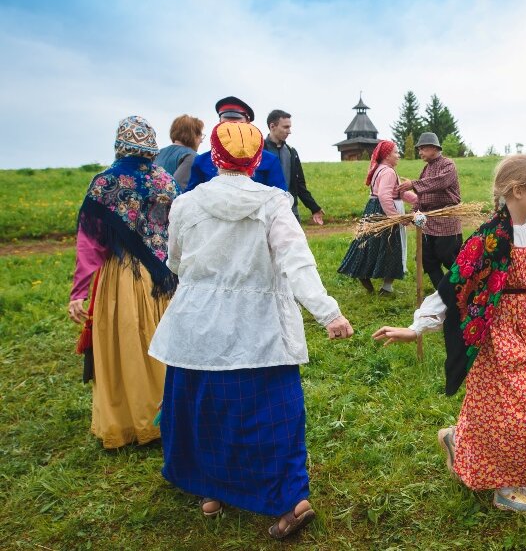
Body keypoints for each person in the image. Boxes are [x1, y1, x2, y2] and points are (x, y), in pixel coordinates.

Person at [372, 154, 526, 515]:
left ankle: (459, 439)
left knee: (521, 398)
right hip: (497, 331)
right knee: (521, 404)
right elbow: (454, 288)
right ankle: (507, 486)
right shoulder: (490, 240)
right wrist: (417, 326)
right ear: (517, 191)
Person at [149, 121, 353, 540]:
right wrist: (328, 313)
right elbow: (297, 262)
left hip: (198, 327)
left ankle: (210, 491)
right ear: (257, 160)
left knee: (204, 409)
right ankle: (290, 500)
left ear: (214, 158)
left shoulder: (186, 204)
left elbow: (174, 260)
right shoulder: (274, 203)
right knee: (272, 416)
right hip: (259, 330)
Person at [68, 116, 178, 449]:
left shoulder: (106, 183)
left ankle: (132, 421)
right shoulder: (166, 181)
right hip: (164, 278)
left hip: (122, 277)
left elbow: (91, 243)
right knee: (165, 344)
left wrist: (79, 291)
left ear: (120, 145)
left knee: (128, 345)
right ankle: (170, 416)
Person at [338, 140, 418, 295]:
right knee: (391, 248)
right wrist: (395, 217)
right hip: (385, 212)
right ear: (387, 155)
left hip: (374, 209)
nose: (398, 155)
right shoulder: (388, 171)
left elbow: (400, 192)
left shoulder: (380, 169)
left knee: (371, 245)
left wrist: (419, 200)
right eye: (395, 152)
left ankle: (363, 272)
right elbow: (385, 195)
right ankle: (386, 288)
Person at [397, 132, 462, 289]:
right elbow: (421, 196)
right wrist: (412, 212)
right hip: (428, 222)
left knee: (447, 257)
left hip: (446, 219)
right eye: (419, 149)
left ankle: (463, 290)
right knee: (428, 260)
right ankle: (444, 295)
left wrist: (414, 184)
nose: (420, 153)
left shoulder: (448, 165)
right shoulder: (426, 169)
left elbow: (441, 182)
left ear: (434, 148)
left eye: (423, 149)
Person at [185, 96, 287, 192]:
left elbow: (279, 197)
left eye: (237, 119)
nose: (231, 124)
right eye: (226, 118)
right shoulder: (201, 161)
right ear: (219, 122)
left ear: (248, 123)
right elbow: (192, 196)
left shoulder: (269, 161)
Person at [263, 109, 325, 224]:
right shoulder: (259, 151)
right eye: (286, 127)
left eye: (289, 127)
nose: (289, 131)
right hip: (267, 213)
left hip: (291, 211)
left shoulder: (292, 153)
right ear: (272, 126)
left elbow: (299, 184)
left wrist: (314, 208)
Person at [154, 114, 204, 190]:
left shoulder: (157, 153)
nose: (201, 141)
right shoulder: (192, 156)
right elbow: (178, 187)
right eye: (200, 136)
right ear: (193, 135)